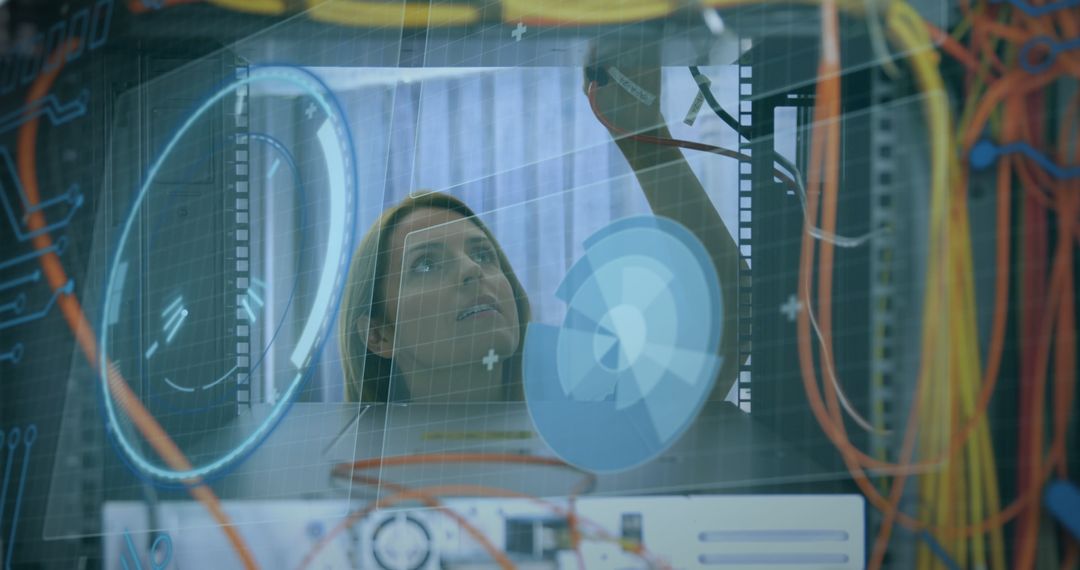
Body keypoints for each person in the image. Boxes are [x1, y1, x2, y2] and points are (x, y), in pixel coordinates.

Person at [338, 58, 743, 404]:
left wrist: (640, 132)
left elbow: (724, 327)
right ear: (378, 335)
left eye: (483, 255)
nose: (471, 271)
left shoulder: (592, 426)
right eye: (425, 264)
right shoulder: (347, 479)